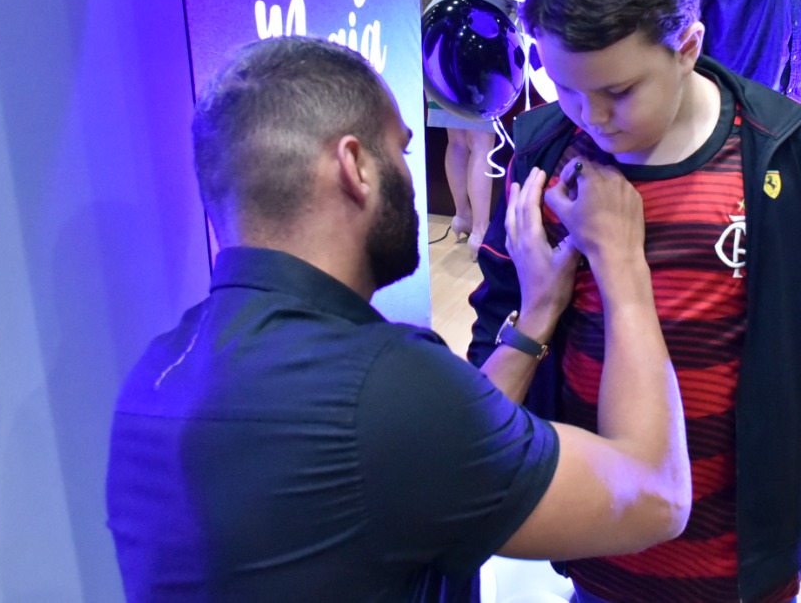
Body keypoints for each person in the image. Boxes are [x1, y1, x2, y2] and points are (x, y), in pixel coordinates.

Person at [105, 37, 691, 602]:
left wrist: (537, 313)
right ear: (355, 166)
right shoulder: (386, 388)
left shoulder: (151, 380)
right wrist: (620, 264)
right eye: (403, 151)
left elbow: (431, 447)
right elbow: (656, 495)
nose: (411, 177)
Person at [467, 0, 801, 603]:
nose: (591, 117)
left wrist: (777, 383)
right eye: (565, 87)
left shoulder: (791, 150)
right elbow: (495, 312)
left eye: (619, 90)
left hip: (742, 560)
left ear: (687, 46)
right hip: (596, 543)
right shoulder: (541, 154)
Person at [425, 0, 513, 261]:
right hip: (472, 65)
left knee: (457, 143)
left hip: (435, 62)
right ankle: (480, 231)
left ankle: (461, 216)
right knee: (480, 146)